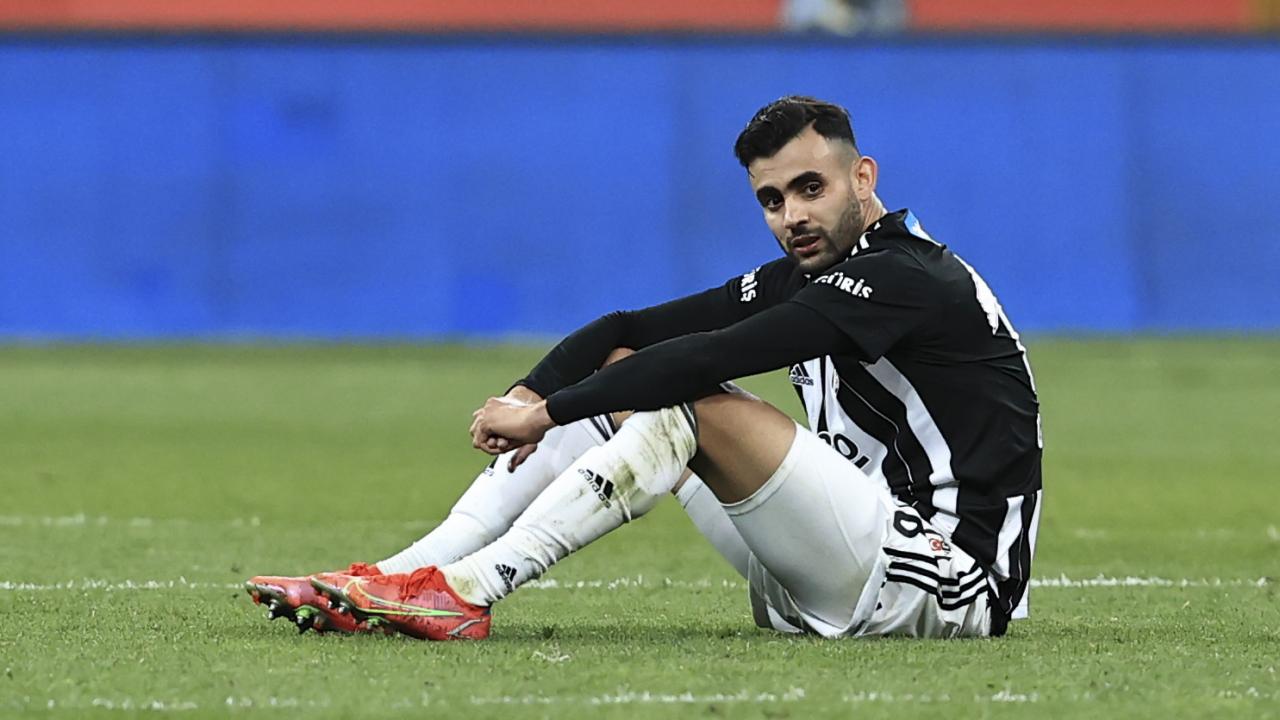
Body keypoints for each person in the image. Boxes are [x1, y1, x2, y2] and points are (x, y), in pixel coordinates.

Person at [247, 95, 1042, 641]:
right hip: (843, 563)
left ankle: (467, 591)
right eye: (772, 199)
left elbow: (712, 357)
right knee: (628, 368)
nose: (793, 215)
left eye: (811, 188)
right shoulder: (806, 273)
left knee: (685, 395)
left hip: (948, 586)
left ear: (862, 178)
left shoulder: (908, 275)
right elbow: (628, 330)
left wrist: (544, 415)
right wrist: (535, 388)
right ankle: (386, 579)